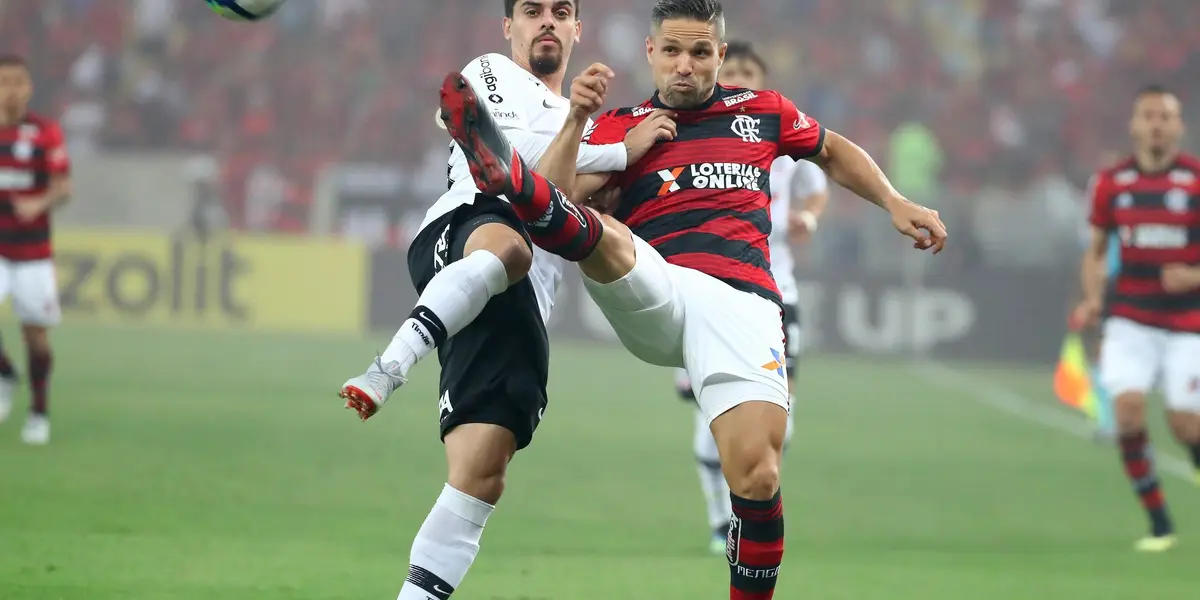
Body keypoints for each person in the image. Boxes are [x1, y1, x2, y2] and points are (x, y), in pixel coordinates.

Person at [438, 1, 946, 596]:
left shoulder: (762, 113)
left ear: (720, 57)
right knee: (604, 231)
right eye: (672, 52)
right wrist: (579, 122)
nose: (686, 66)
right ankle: (515, 182)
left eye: (700, 53)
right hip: (657, 285)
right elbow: (562, 186)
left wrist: (895, 201)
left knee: (757, 475)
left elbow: (832, 152)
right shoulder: (621, 127)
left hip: (744, 304)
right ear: (651, 54)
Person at [335, 2, 664, 598]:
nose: (546, 21)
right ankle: (389, 366)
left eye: (560, 11)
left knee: (479, 479)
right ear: (508, 28)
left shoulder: (582, 122)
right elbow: (509, 157)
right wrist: (617, 150)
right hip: (465, 227)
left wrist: (590, 138)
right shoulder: (490, 73)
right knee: (509, 244)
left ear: (577, 29)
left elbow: (554, 197)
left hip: (525, 302)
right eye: (531, 11)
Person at [673, 40, 829, 555]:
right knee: (711, 418)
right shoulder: (695, 132)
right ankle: (723, 523)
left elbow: (818, 179)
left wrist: (809, 215)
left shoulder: (782, 140)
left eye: (749, 71)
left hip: (777, 296)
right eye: (731, 69)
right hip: (711, 295)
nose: (739, 77)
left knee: (776, 425)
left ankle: (748, 513)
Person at [1074, 84, 1200, 553]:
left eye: (1165, 116)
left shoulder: (1195, 180)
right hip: (1130, 317)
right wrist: (1092, 298)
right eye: (1148, 115)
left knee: (1185, 425)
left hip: (1189, 322)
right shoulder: (1112, 183)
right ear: (1134, 125)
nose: (1156, 124)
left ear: (1179, 125)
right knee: (1127, 415)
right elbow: (1095, 250)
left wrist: (1193, 275)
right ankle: (1160, 524)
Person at [0, 55, 72, 445]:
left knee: (37, 339)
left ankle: (39, 411)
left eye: (18, 82)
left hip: (32, 253)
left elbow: (64, 186)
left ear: (29, 88)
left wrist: (38, 203)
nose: (11, 89)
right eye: (3, 81)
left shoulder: (45, 132)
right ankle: (5, 372)